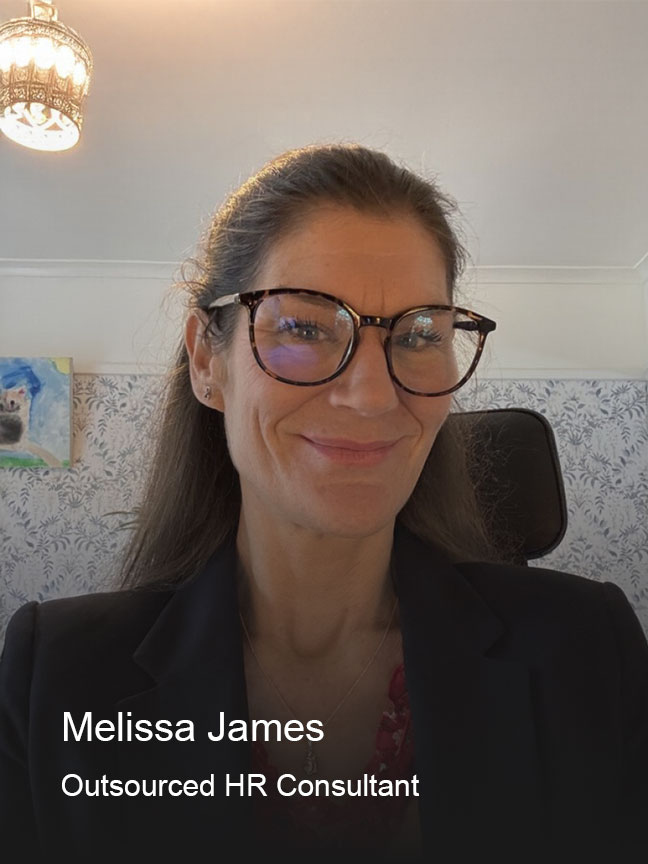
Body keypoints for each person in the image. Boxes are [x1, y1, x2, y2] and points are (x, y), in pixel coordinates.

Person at [1, 143, 647, 864]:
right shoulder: (57, 675)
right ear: (208, 361)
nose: (371, 396)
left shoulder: (589, 650)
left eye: (419, 334)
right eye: (304, 327)